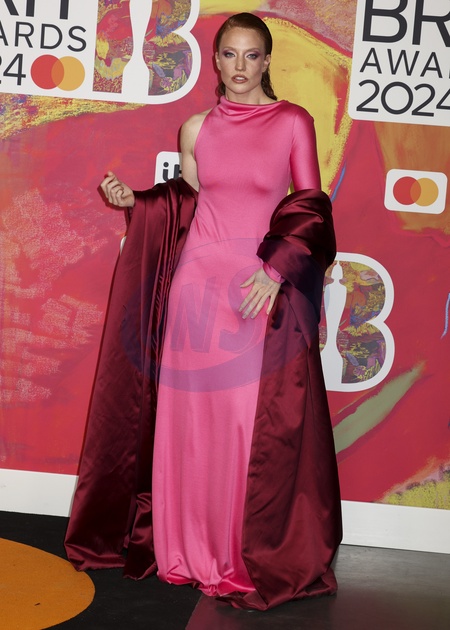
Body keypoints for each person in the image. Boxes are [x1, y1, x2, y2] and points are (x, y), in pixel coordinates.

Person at [65, 13, 342, 611]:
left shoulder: (293, 121)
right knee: (190, 427)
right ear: (214, 60)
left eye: (251, 55)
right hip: (196, 289)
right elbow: (186, 203)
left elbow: (311, 205)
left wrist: (275, 271)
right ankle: (184, 553)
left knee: (243, 428)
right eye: (229, 55)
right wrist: (135, 200)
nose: (239, 67)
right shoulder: (196, 128)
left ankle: (235, 555)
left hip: (255, 288)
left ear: (267, 61)